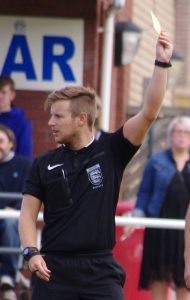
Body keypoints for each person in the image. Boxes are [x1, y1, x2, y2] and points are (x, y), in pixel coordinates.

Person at [18, 32, 173, 300]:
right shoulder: (44, 163)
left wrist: (161, 63)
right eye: (49, 116)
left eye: (58, 116)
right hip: (53, 271)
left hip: (100, 271)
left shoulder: (112, 150)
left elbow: (149, 112)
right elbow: (27, 215)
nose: (50, 123)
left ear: (81, 118)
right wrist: (31, 252)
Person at [132, 116, 190, 300]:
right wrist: (137, 215)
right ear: (170, 135)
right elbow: (144, 192)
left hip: (186, 229)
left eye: (186, 132)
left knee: (185, 279)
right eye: (177, 131)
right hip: (160, 226)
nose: (181, 136)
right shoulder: (156, 160)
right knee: (159, 276)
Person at [0, 125, 31, 300]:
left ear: (11, 143)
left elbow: (30, 196)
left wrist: (15, 209)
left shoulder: (25, 165)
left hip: (13, 221)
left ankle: (8, 278)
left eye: (1, 141)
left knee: (11, 222)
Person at [0, 75, 32, 157]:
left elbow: (25, 153)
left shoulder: (21, 121)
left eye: (3, 92)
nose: (0, 96)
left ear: (12, 95)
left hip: (10, 168)